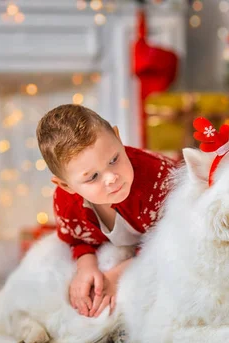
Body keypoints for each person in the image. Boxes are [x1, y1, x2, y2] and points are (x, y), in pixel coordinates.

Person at [36, 104, 177, 318]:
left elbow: (174, 241)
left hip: (168, 245)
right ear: (66, 186)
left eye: (114, 160)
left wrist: (117, 275)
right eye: (92, 177)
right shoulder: (67, 203)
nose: (112, 178)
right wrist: (86, 265)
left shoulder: (159, 181)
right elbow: (76, 239)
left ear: (118, 138)